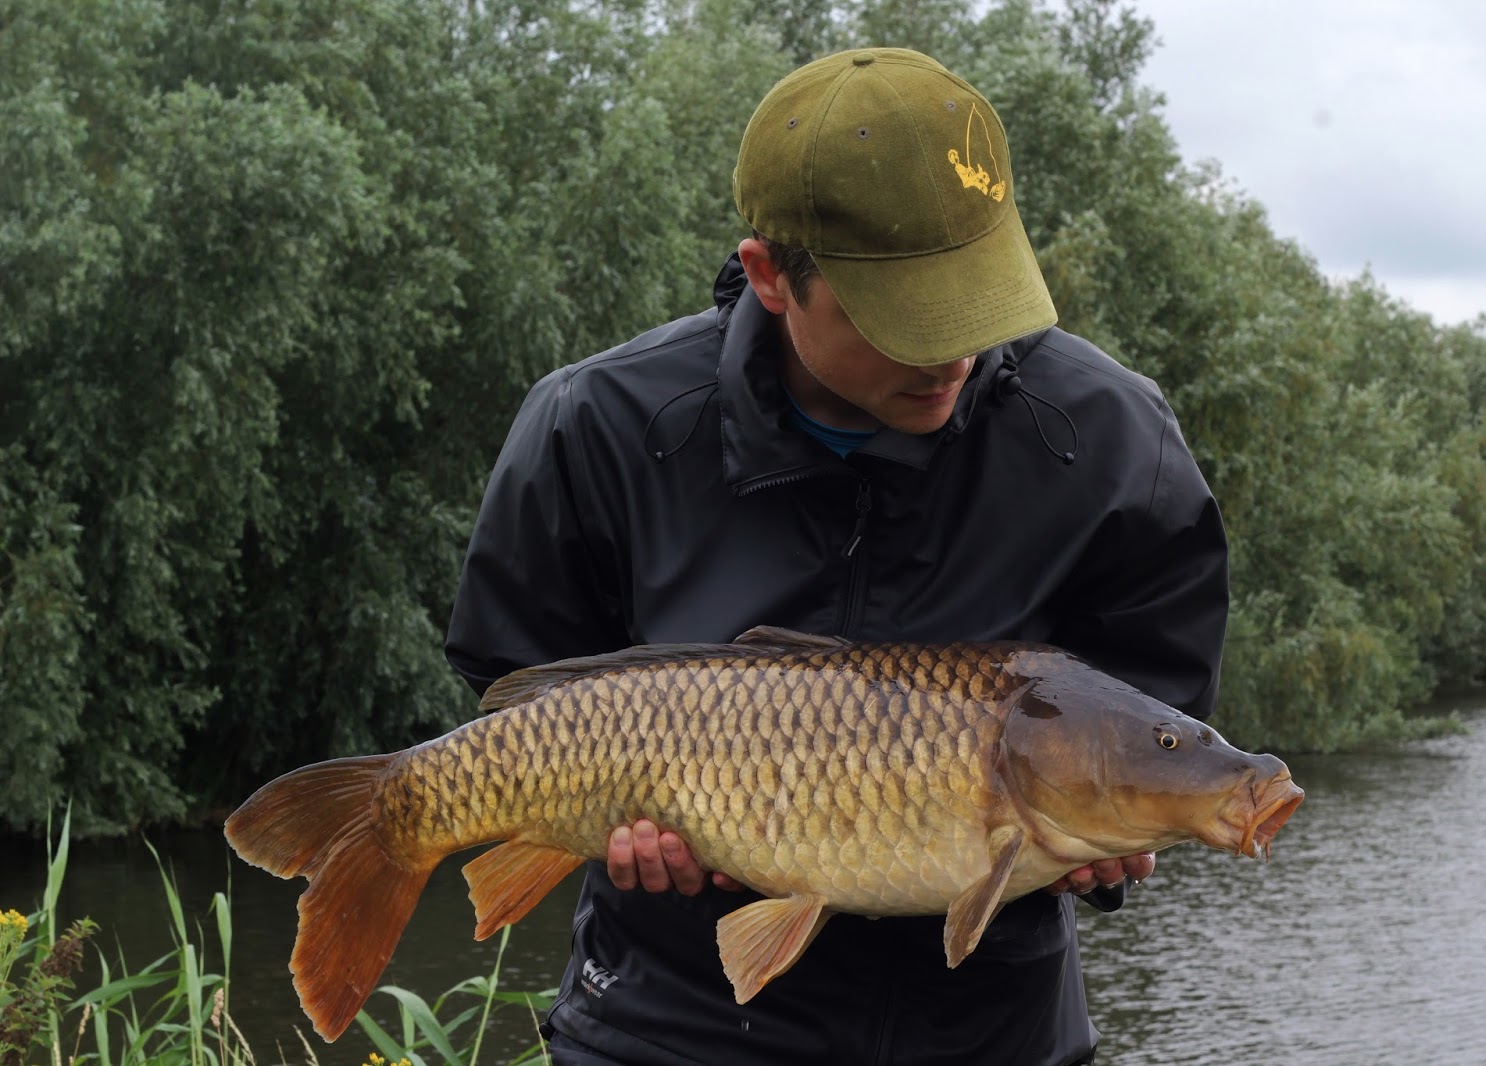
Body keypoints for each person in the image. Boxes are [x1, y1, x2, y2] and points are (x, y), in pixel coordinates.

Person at [446, 47, 1228, 1066]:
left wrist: (1111, 848)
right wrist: (607, 821)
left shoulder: (1108, 441)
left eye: (973, 296)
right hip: (669, 1026)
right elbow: (521, 686)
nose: (950, 353)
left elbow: (1149, 714)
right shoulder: (597, 426)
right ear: (771, 275)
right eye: (905, 314)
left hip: (994, 1033)